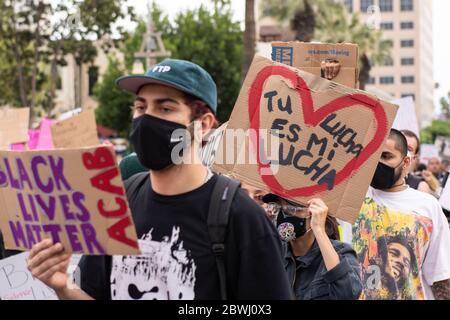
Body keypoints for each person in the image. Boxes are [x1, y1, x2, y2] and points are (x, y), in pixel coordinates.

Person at [26, 59, 292, 300]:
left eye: (165, 108)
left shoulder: (240, 216)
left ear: (204, 124)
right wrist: (63, 287)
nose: (147, 119)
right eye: (141, 107)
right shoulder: (120, 201)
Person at [345, 129, 450, 300]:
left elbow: (440, 277)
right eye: (375, 156)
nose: (379, 163)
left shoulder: (428, 206)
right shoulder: (353, 198)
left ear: (406, 161)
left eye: (386, 156)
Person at [262, 194, 362, 300]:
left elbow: (348, 293)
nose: (284, 215)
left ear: (316, 214)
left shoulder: (340, 252)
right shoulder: (274, 253)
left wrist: (319, 230)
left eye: (293, 209)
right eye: (278, 207)